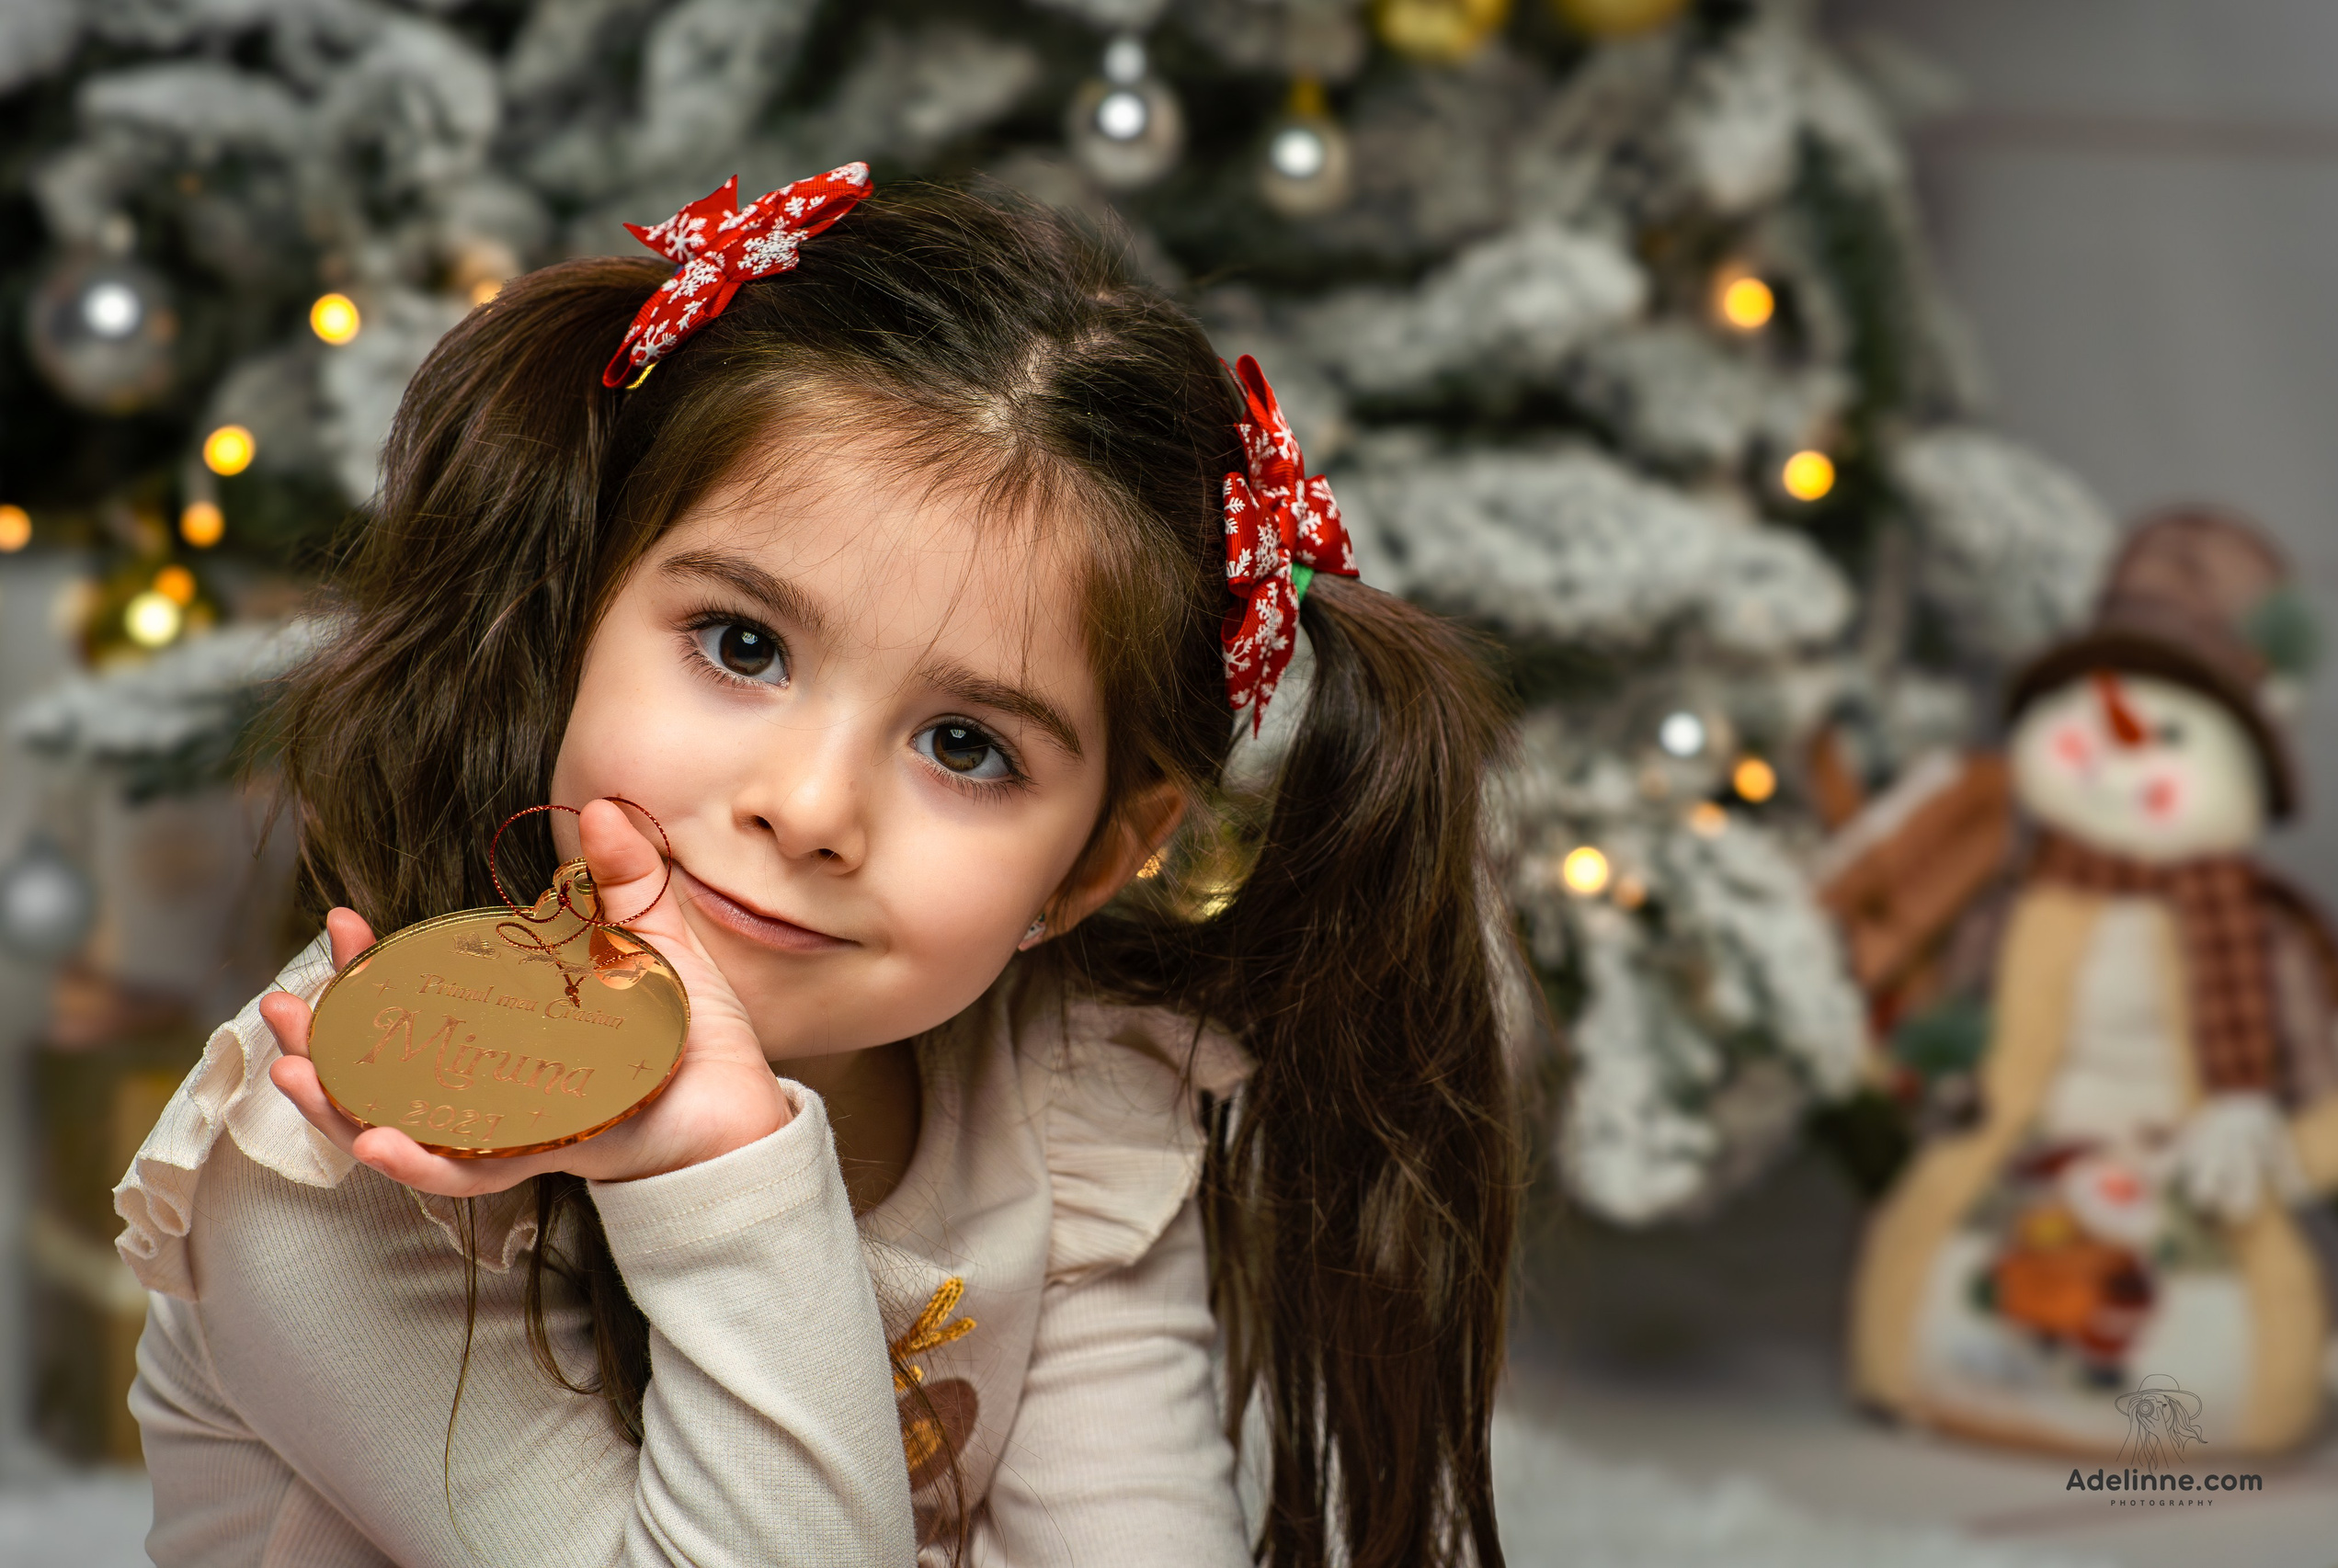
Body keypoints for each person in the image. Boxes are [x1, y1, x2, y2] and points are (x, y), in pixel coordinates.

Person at [112, 165, 1523, 1567]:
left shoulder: (1065, 1104)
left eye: (966, 744)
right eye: (742, 644)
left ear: (1098, 861)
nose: (807, 807)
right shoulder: (337, 1167)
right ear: (583, 616)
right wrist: (716, 1168)